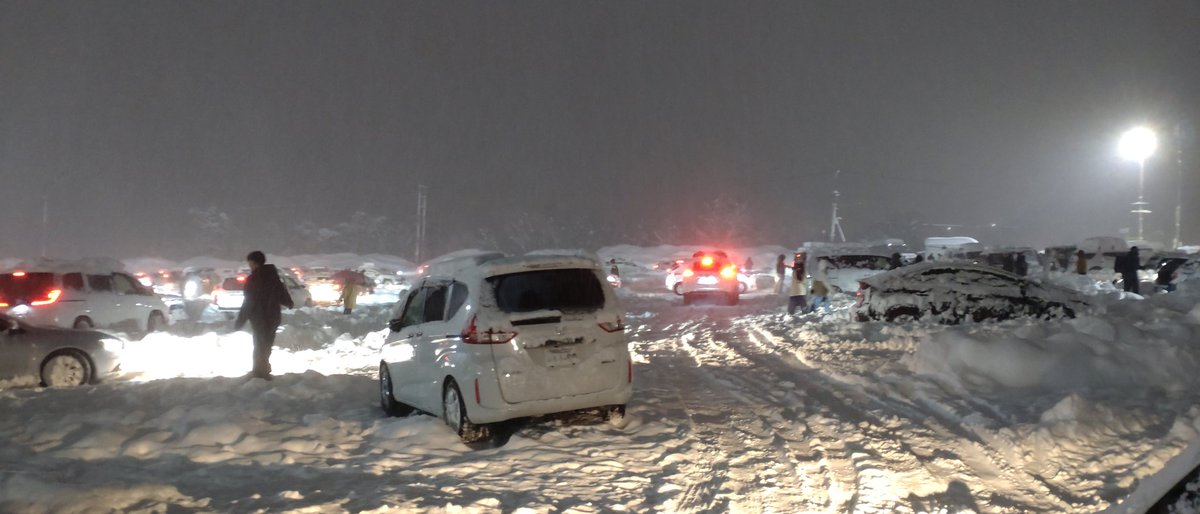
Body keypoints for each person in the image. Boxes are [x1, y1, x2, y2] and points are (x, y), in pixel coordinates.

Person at [234, 251, 294, 380]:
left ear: (254, 263)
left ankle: (259, 371)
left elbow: (249, 301)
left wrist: (241, 320)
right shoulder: (273, 276)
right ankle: (264, 369)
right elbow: (281, 292)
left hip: (259, 317)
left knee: (260, 344)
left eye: (250, 262)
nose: (249, 265)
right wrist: (288, 302)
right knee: (266, 343)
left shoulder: (253, 279)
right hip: (272, 316)